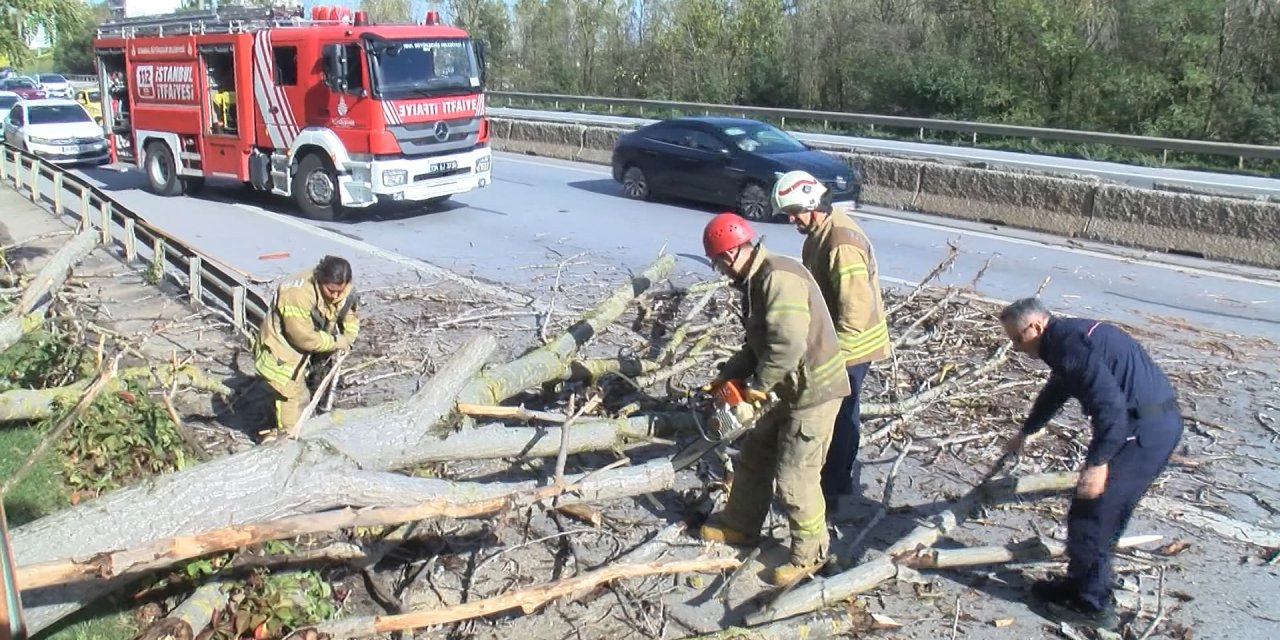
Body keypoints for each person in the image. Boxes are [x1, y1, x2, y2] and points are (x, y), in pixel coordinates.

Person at [998, 297, 1183, 629]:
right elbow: (1058, 389)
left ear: (1035, 326)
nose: (1016, 348)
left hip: (1143, 431)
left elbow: (1110, 409)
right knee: (1097, 512)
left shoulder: (1068, 345)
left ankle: (1093, 606)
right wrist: (1027, 431)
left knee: (1093, 513)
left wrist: (1098, 464)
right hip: (1150, 424)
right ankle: (1080, 584)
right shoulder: (1066, 338)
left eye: (1017, 339)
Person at [696, 212, 851, 588]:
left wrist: (756, 389)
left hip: (813, 392)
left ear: (729, 255)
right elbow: (757, 345)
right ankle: (740, 524)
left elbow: (787, 346)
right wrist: (727, 376)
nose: (721, 272)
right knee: (755, 455)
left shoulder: (777, 279)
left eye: (718, 264)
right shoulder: (756, 280)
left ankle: (811, 554)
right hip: (787, 387)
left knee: (795, 476)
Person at [772, 170, 891, 511]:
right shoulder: (820, 230)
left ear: (813, 203)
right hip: (837, 340)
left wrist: (833, 358)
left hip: (852, 346)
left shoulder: (840, 243)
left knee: (839, 417)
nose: (791, 219)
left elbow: (854, 310)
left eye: (794, 212)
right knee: (836, 413)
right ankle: (830, 477)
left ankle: (834, 487)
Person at [254, 256, 360, 438]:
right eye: (331, 291)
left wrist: (349, 337)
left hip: (313, 342)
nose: (335, 296)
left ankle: (300, 428)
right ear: (320, 280)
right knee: (291, 395)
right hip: (282, 350)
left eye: (340, 291)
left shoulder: (344, 289)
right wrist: (337, 341)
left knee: (303, 396)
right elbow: (303, 338)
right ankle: (287, 437)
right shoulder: (297, 294)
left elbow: (349, 315)